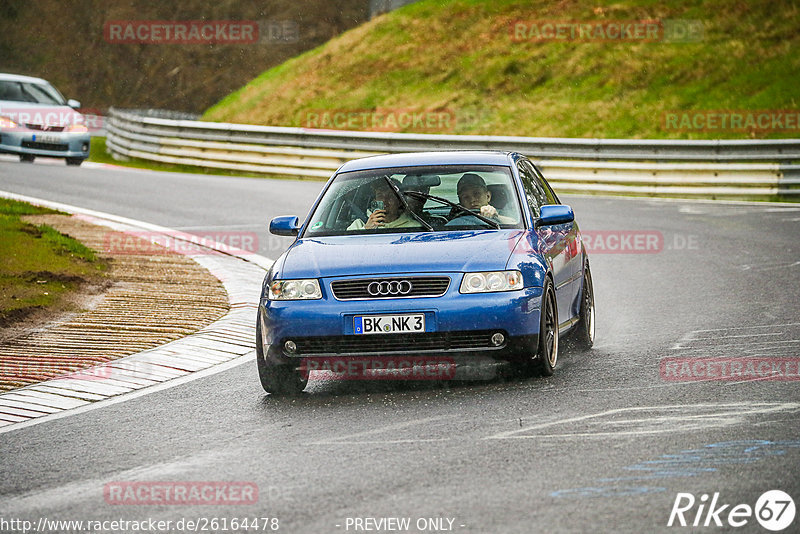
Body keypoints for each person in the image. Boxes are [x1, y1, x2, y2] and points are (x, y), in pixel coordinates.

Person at [347, 178, 421, 230]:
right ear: (374, 201)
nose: (384, 201)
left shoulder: (413, 227)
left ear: (400, 202)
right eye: (380, 196)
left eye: (390, 196)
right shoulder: (358, 225)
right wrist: (366, 229)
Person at [451, 173, 516, 224]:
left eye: (477, 194)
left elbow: (515, 225)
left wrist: (496, 216)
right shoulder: (454, 216)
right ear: (461, 201)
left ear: (488, 196)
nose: (472, 200)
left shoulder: (503, 212)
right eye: (466, 197)